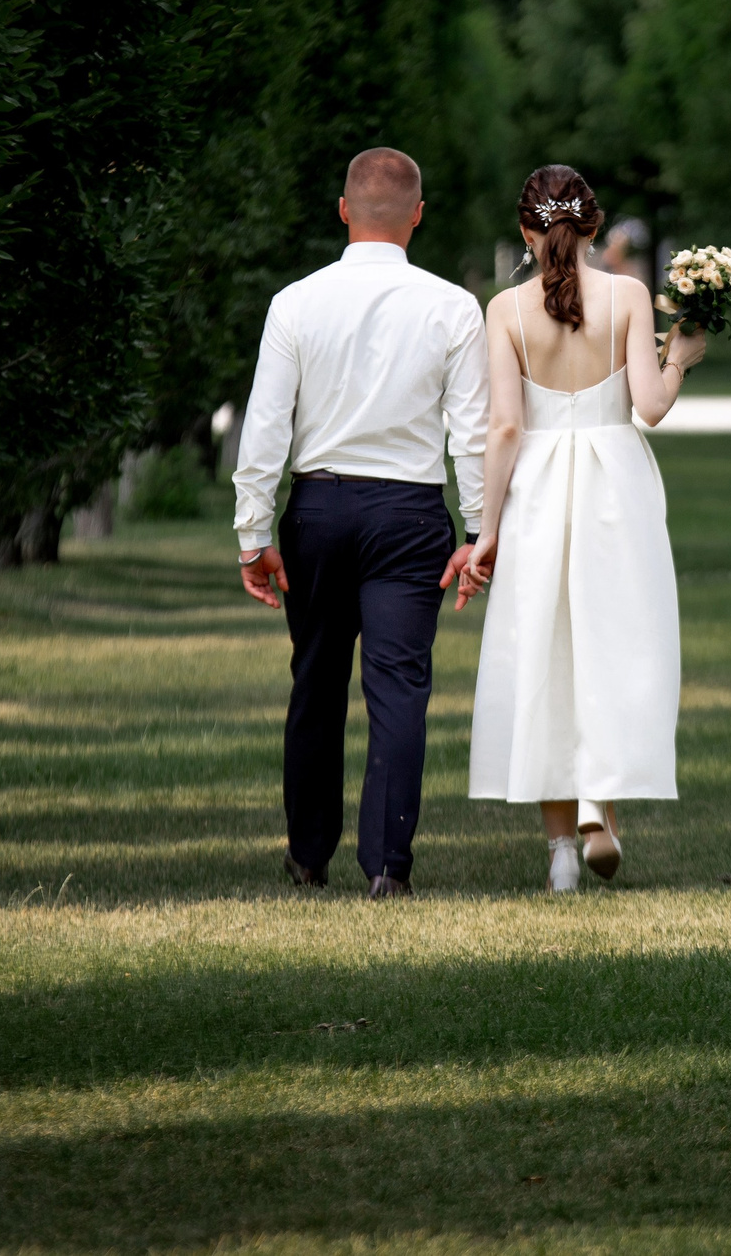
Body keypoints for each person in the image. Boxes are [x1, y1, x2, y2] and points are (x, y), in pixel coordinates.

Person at [231, 148, 487, 899]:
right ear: (418, 214)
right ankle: (386, 865)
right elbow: (469, 432)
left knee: (315, 680)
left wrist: (254, 533)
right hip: (409, 513)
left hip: (319, 506)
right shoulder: (452, 306)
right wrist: (477, 527)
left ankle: (308, 853)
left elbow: (266, 424)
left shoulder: (295, 302)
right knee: (399, 687)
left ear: (343, 210)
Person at [458, 166, 707, 891]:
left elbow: (504, 426)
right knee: (614, 639)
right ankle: (601, 805)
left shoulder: (504, 310)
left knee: (544, 647)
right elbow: (651, 406)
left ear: (526, 231)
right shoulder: (628, 294)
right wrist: (679, 359)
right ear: (593, 227)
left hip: (537, 486)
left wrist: (487, 525)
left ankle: (561, 848)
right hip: (614, 484)